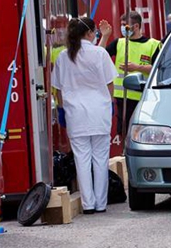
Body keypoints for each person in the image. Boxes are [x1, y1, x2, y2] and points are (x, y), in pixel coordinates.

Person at [51, 17, 117, 215]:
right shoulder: (100, 53)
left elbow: (58, 89)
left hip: (75, 114)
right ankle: (101, 203)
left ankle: (88, 204)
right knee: (100, 159)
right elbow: (110, 83)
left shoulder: (63, 56)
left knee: (82, 160)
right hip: (99, 113)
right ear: (89, 33)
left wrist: (62, 110)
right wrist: (110, 104)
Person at [98, 11, 161, 135]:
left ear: (136, 26)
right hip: (122, 97)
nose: (122, 28)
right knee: (124, 132)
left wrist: (137, 67)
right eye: (121, 25)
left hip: (144, 97)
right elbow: (98, 56)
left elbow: (158, 68)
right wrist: (105, 36)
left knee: (141, 132)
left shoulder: (153, 44)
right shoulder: (119, 43)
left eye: (125, 25)